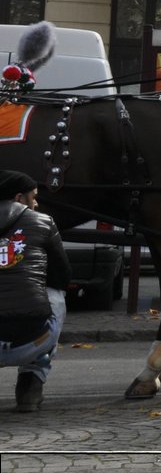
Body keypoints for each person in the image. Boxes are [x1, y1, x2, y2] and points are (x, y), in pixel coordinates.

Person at [0, 171, 68, 413]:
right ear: (20, 198)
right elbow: (63, 275)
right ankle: (31, 383)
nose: (37, 204)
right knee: (55, 295)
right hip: (32, 340)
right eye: (34, 197)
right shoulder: (43, 222)